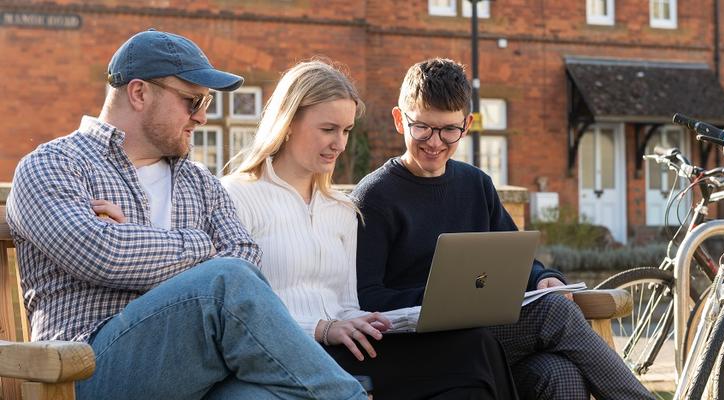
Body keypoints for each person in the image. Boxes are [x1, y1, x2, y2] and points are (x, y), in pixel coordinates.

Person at [5, 30, 367, 400]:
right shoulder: (54, 165)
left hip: (193, 372)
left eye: (206, 101)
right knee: (224, 281)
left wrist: (134, 238)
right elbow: (102, 254)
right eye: (192, 100)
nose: (203, 117)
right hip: (86, 368)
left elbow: (247, 259)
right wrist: (201, 247)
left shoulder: (200, 182)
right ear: (139, 92)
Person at [351, 58, 656, 400]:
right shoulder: (375, 196)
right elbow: (366, 296)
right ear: (399, 120)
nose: (435, 142)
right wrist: (439, 297)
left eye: (449, 129)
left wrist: (543, 277)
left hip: (485, 337)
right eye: (422, 127)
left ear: (466, 125)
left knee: (560, 374)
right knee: (554, 312)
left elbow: (515, 259)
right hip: (421, 345)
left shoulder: (475, 184)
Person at [222, 60, 517, 400]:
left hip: (344, 348)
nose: (340, 144)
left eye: (346, 131)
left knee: (473, 347)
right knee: (470, 359)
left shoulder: (342, 209)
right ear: (288, 123)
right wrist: (323, 328)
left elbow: (348, 304)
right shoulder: (237, 196)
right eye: (328, 129)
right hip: (286, 352)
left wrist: (378, 321)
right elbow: (234, 310)